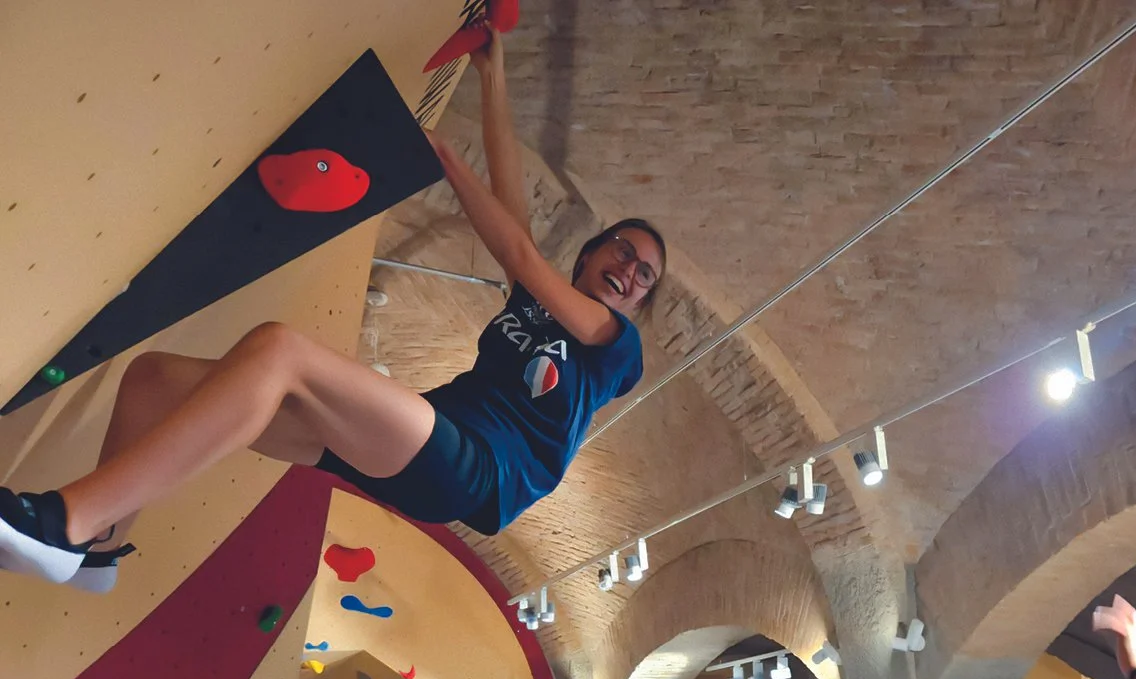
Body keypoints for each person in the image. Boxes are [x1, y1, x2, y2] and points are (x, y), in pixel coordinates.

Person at [0, 28, 661, 591]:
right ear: (590, 253)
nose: (630, 272)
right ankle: (102, 547)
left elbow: (518, 249)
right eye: (624, 250)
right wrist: (494, 75)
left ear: (637, 299)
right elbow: (512, 200)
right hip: (417, 449)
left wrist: (441, 159)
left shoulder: (616, 346)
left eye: (644, 275)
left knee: (280, 351)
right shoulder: (538, 303)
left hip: (474, 470)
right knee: (153, 380)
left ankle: (67, 525)